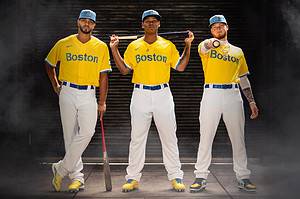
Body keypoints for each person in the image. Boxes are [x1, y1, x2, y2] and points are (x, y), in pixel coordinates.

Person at [109, 9, 194, 192]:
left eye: (154, 21)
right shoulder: (134, 46)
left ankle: (176, 176)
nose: (151, 23)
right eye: (147, 21)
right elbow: (124, 70)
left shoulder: (167, 45)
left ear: (159, 24)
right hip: (140, 94)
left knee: (169, 137)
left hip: (163, 93)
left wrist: (187, 46)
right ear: (142, 24)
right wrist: (114, 50)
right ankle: (132, 178)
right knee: (137, 138)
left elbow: (180, 66)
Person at [190, 15, 259, 192]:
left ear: (227, 27)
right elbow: (205, 47)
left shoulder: (238, 51)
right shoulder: (206, 45)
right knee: (206, 136)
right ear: (211, 30)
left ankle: (243, 177)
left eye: (221, 26)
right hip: (211, 92)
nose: (218, 29)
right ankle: (201, 176)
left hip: (232, 94)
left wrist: (251, 101)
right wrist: (214, 42)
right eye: (214, 27)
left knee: (238, 138)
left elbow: (243, 78)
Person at [45, 9, 111, 192]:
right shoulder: (63, 43)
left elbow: (104, 76)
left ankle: (61, 168)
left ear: (94, 25)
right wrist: (55, 85)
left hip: (88, 93)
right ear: (78, 22)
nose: (87, 24)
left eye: (90, 22)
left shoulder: (100, 47)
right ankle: (77, 178)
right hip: (67, 91)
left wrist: (102, 102)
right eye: (84, 21)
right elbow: (49, 64)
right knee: (70, 136)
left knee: (87, 132)